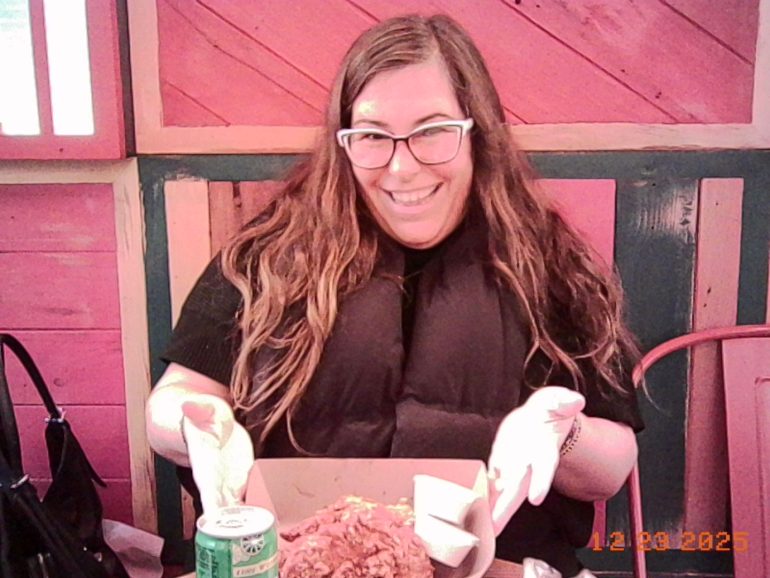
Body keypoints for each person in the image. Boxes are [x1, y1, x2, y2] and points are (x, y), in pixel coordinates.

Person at [146, 13, 643, 577]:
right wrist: (193, 422)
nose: (402, 168)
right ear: (344, 142)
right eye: (373, 137)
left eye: (432, 130)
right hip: (293, 562)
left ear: (476, 131)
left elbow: (613, 465)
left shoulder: (552, 264)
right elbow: (179, 394)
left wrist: (565, 433)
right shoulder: (268, 255)